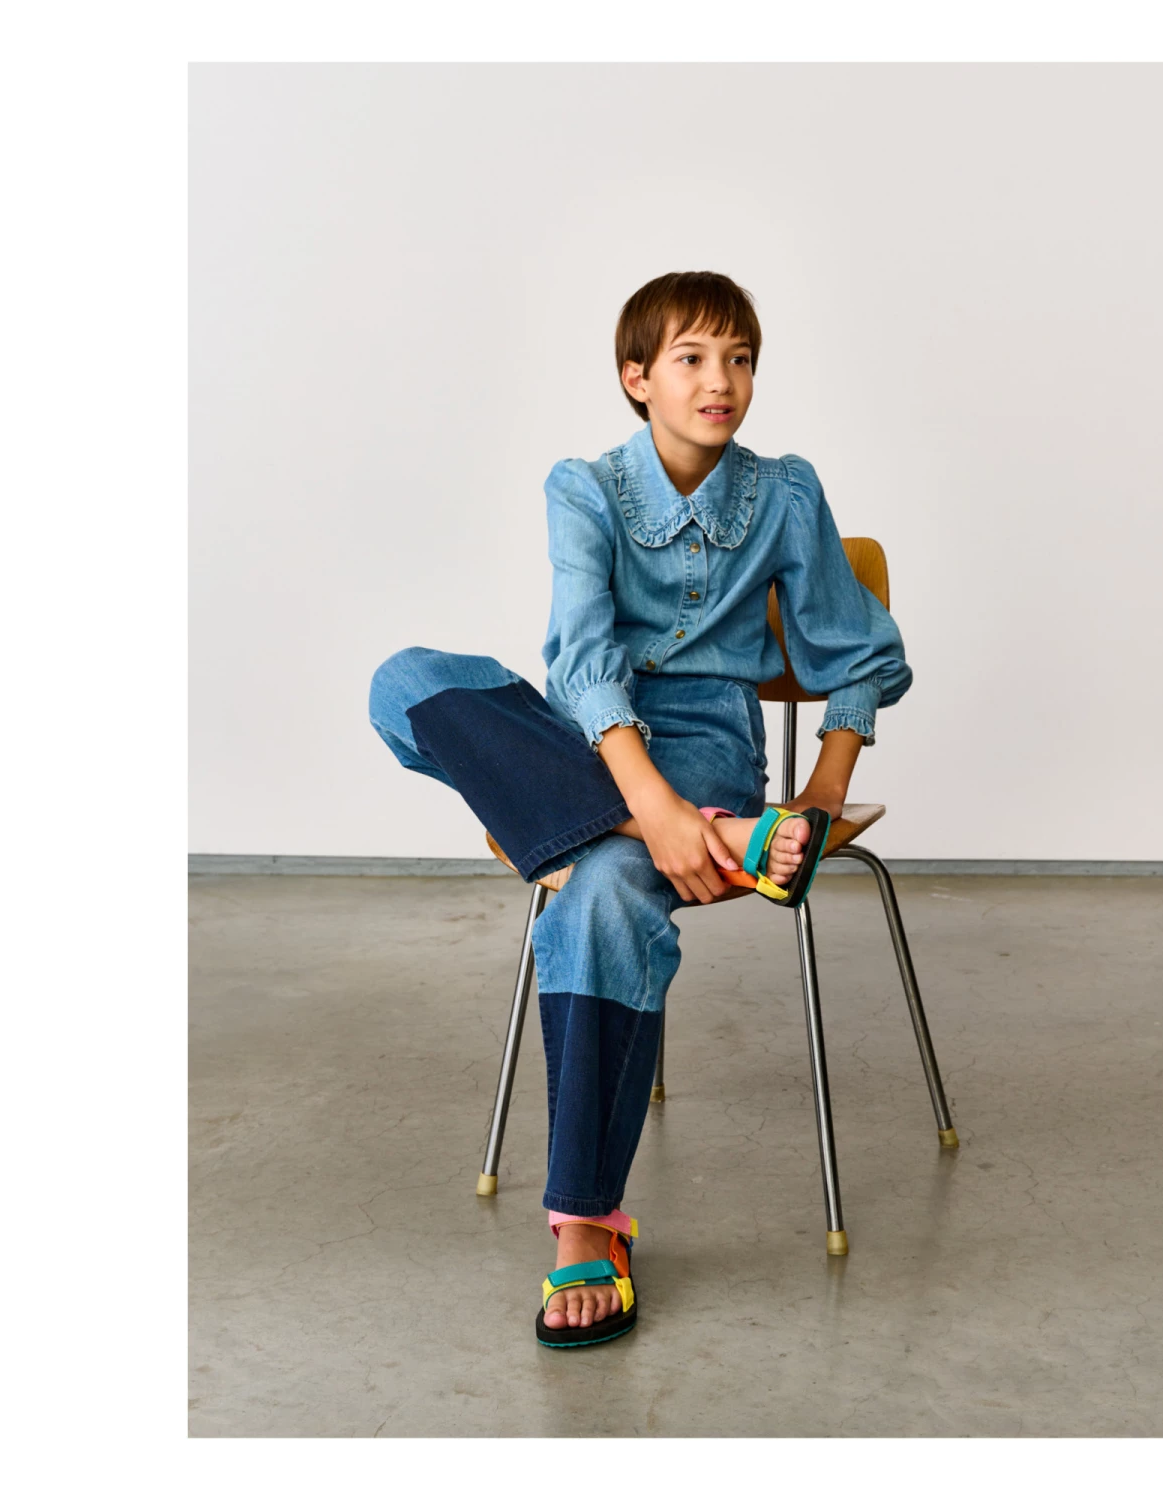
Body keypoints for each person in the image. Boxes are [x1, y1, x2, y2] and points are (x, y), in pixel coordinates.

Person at [368, 270, 912, 1348]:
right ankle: (702, 840)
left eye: (741, 359)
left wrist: (819, 794)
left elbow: (860, 653)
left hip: (707, 746)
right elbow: (579, 661)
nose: (722, 382)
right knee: (403, 684)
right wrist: (655, 815)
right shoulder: (585, 488)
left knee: (602, 895)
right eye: (693, 359)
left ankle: (586, 1224)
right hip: (590, 740)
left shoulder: (786, 494)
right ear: (637, 379)